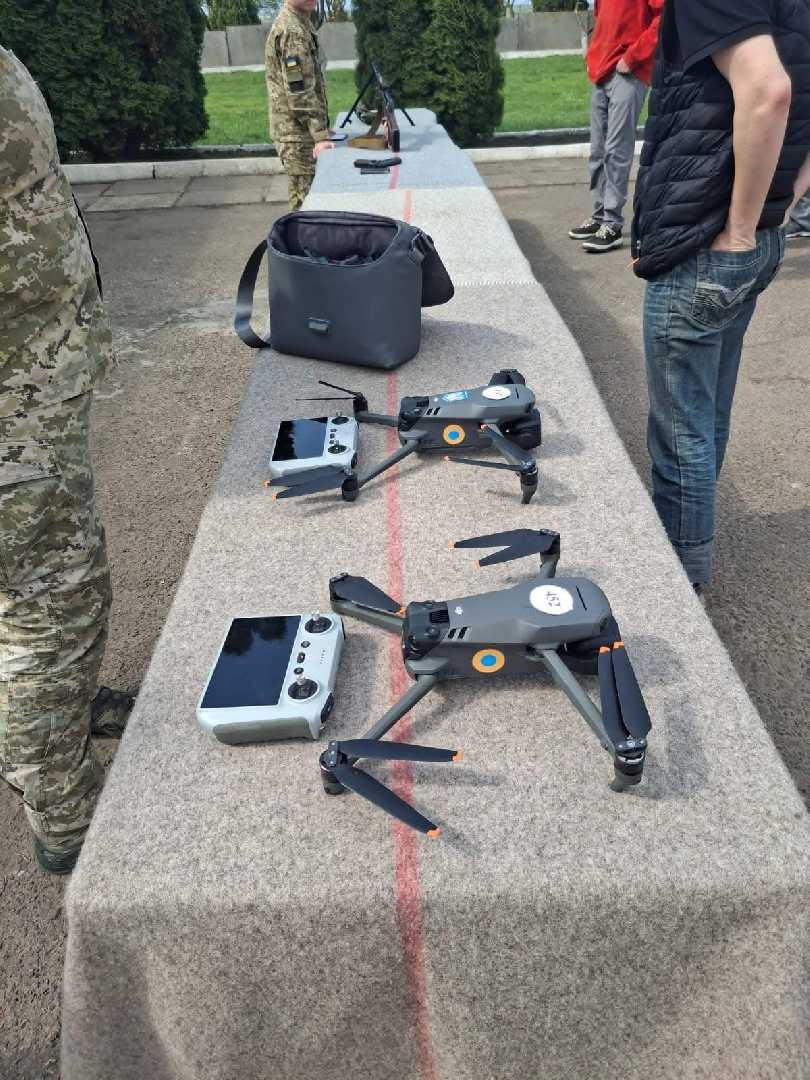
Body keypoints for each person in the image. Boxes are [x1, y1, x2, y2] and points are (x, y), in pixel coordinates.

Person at [0, 47, 133, 874]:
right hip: (11, 409)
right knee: (51, 609)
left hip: (33, 373)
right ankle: (64, 810)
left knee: (35, 601)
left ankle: (63, 715)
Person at [632, 0, 810, 593]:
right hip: (753, 237)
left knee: (682, 434)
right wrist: (782, 205)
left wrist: (739, 228)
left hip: (709, 242)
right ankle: (693, 549)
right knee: (705, 417)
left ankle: (679, 588)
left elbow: (769, 92)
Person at [569, 0, 664, 254]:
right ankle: (599, 216)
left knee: (616, 150)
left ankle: (612, 224)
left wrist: (633, 57)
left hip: (629, 71)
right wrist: (594, 55)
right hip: (602, 68)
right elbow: (603, 20)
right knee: (598, 151)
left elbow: (663, 18)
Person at [266, 0, 335, 211]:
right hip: (297, 135)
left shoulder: (301, 22)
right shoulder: (292, 31)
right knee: (306, 209)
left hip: (300, 131)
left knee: (308, 207)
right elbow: (299, 91)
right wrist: (319, 135)